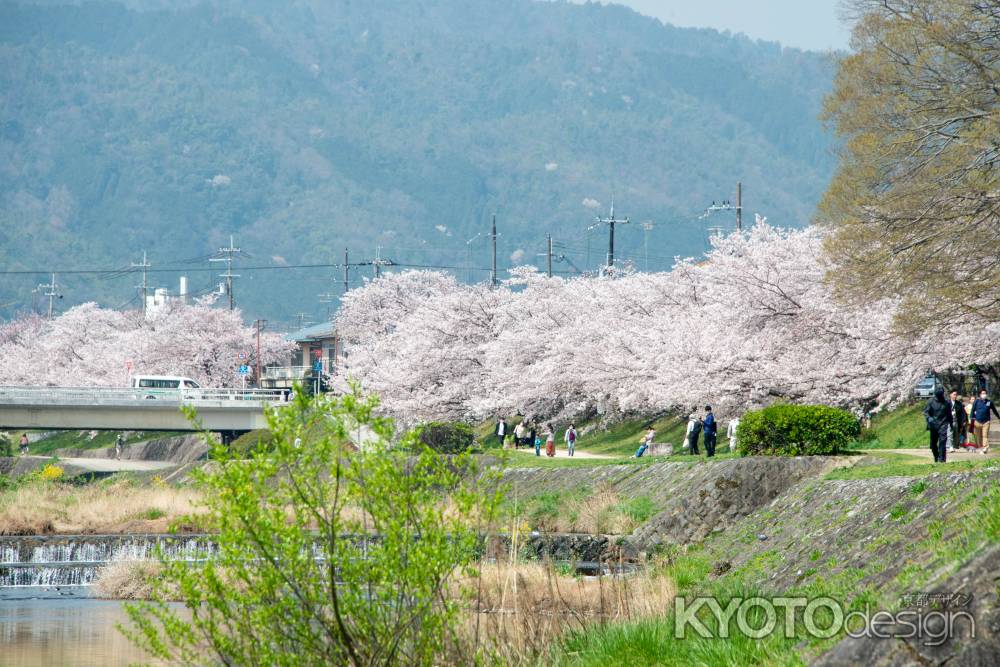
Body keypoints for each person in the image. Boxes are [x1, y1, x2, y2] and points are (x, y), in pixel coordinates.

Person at [924, 388, 952, 463]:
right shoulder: (931, 401)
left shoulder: (946, 403)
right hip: (933, 424)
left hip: (943, 424)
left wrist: (951, 424)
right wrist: (929, 418)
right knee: (933, 444)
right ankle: (936, 456)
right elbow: (926, 412)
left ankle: (942, 459)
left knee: (942, 441)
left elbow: (949, 414)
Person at [971, 389, 1000, 454]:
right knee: (978, 436)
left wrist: (998, 417)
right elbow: (972, 410)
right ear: (980, 394)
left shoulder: (989, 402)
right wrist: (972, 418)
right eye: (982, 393)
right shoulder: (976, 401)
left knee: (985, 435)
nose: (984, 395)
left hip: (986, 422)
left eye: (985, 393)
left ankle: (985, 447)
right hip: (977, 421)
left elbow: (994, 410)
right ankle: (980, 447)